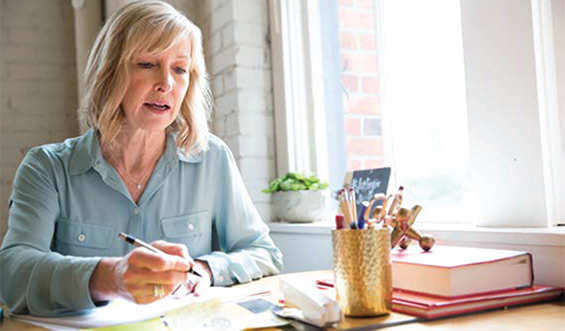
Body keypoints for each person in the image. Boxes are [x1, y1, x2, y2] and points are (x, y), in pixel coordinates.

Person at [0, 0, 282, 316]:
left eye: (179, 69)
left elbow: (263, 253)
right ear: (109, 72)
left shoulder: (212, 159)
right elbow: (12, 273)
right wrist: (109, 277)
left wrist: (203, 268)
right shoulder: (47, 168)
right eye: (147, 64)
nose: (167, 84)